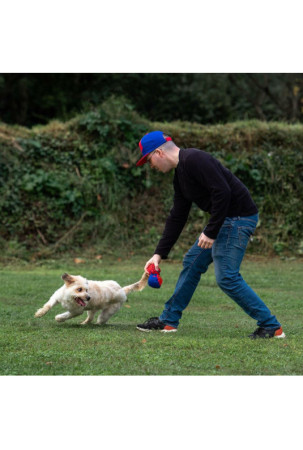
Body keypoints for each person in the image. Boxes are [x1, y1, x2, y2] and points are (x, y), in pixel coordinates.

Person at [135, 130, 285, 339]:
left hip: (239, 219)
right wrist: (158, 254)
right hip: (225, 220)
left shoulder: (195, 159)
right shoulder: (180, 175)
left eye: (149, 160)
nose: (150, 166)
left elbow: (223, 192)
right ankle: (169, 321)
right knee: (192, 262)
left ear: (159, 153)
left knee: (226, 277)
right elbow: (177, 216)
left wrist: (211, 231)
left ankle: (271, 326)